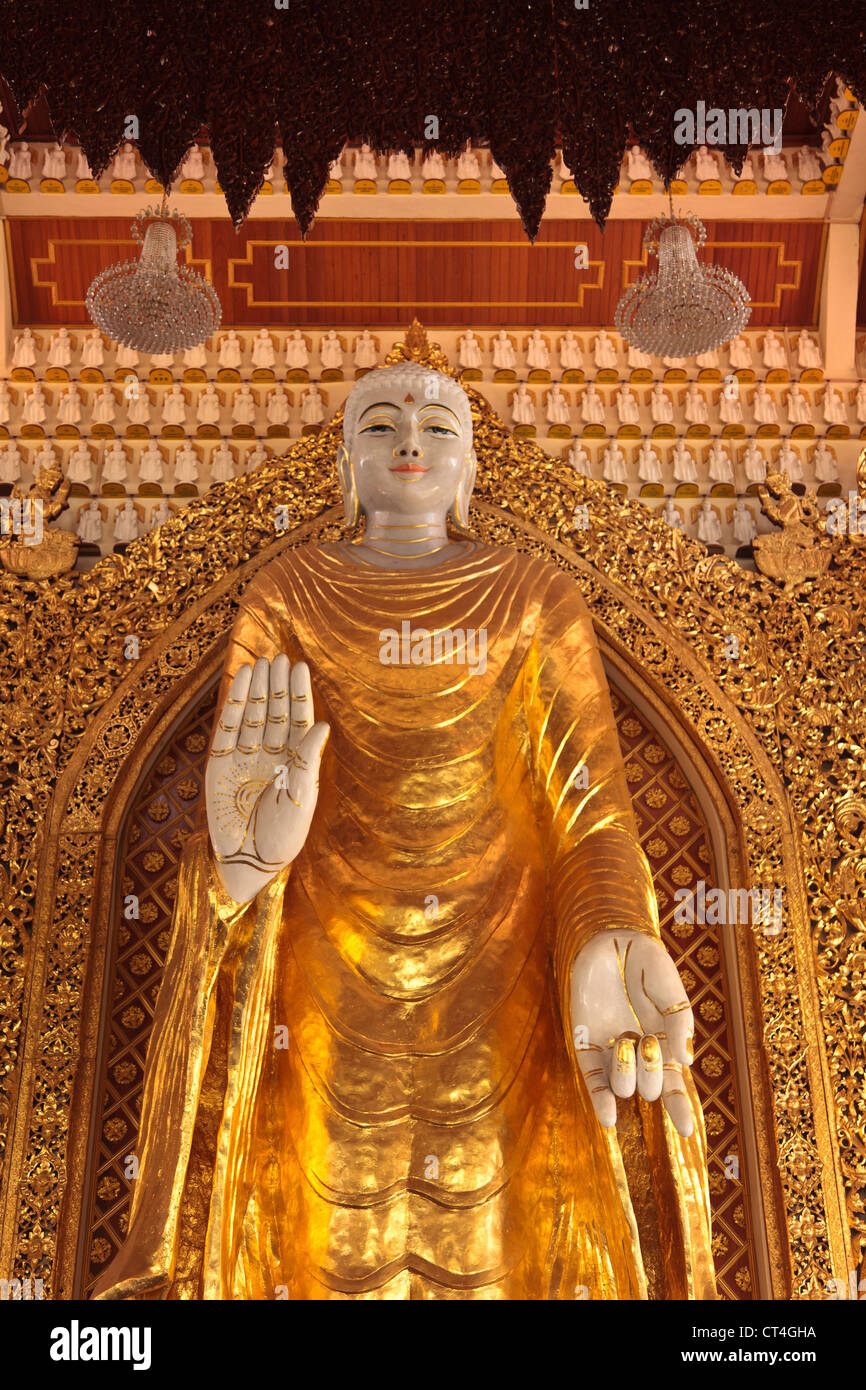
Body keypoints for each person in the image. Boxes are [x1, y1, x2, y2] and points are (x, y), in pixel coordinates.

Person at [92, 362, 712, 1303]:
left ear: (469, 473)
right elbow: (244, 785)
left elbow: (592, 816)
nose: (410, 442)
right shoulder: (290, 589)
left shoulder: (533, 595)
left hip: (499, 956)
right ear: (347, 467)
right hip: (324, 952)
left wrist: (616, 930)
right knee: (325, 1221)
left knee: (491, 1234)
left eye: (436, 428)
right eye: (380, 427)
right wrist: (241, 867)